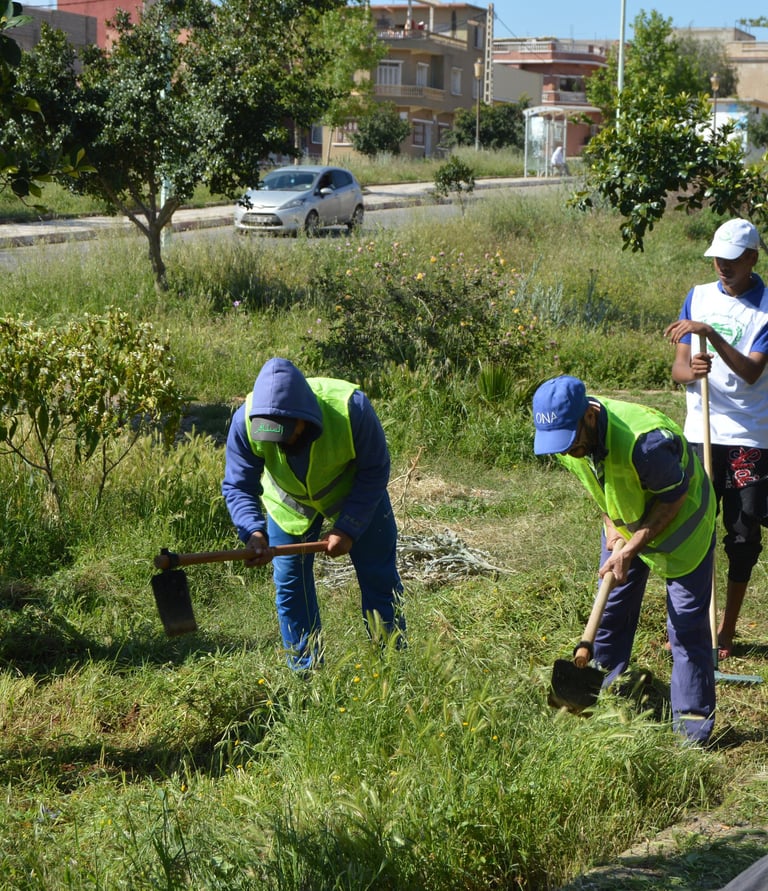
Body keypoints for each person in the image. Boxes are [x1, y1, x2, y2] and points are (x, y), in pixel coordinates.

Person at [532, 375, 717, 744]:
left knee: (685, 630)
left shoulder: (644, 443)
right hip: (627, 524)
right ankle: (602, 698)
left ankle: (692, 732)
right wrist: (613, 529)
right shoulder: (570, 442)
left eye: (571, 441)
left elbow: (674, 498)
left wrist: (632, 548)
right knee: (611, 610)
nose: (568, 451)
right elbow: (599, 484)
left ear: (589, 416)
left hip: (684, 529)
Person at [222, 357, 406, 670]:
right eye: (273, 437)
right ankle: (308, 677)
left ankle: (393, 666)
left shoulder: (351, 409)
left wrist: (348, 528)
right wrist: (253, 531)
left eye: (287, 434)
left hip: (356, 495)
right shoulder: (247, 422)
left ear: (305, 419)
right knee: (291, 586)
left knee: (379, 578)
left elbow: (375, 469)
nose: (280, 444)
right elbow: (239, 485)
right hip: (288, 504)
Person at [665, 218, 768, 660]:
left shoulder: (766, 307)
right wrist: (692, 370)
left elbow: (751, 372)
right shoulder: (698, 295)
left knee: (742, 534)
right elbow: (678, 370)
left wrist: (711, 335)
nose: (722, 266)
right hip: (700, 430)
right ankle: (692, 625)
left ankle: (726, 629)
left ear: (752, 258)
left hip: (749, 434)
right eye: (716, 259)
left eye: (731, 259)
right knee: (693, 527)